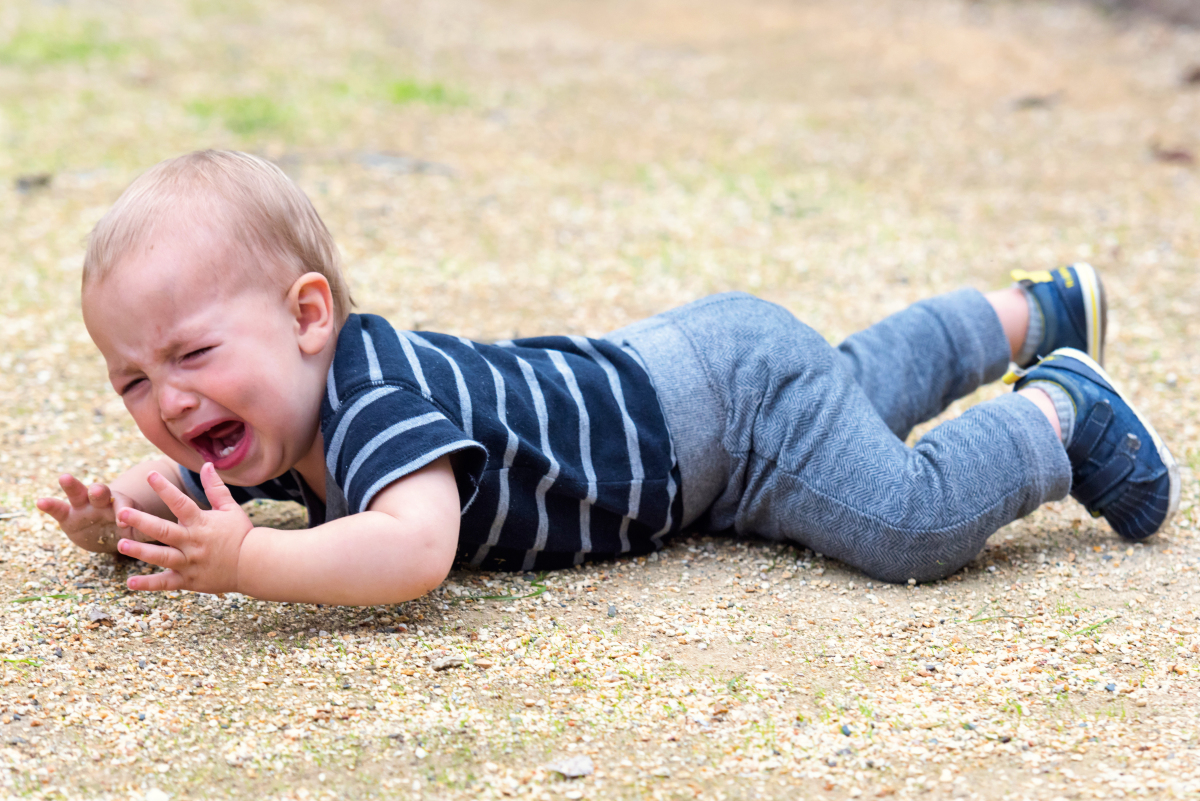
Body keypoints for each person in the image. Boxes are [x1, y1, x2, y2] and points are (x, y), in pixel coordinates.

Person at [36, 150, 1180, 605]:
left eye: (192, 356)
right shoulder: (279, 415)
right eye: (131, 380)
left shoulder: (371, 403)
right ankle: (1025, 309)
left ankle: (1057, 416)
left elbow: (411, 552)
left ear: (307, 319)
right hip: (698, 381)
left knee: (904, 520)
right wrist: (125, 524)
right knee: (850, 389)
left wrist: (244, 561)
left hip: (720, 422)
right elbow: (204, 488)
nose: (168, 403)